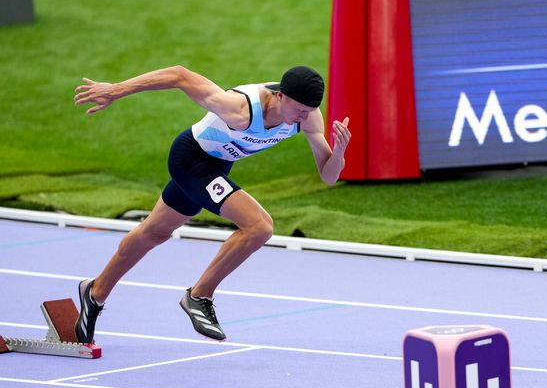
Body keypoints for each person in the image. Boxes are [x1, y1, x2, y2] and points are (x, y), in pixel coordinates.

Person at [72, 65, 351, 342]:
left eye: (309, 110)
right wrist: (115, 90)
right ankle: (199, 296)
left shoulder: (309, 117)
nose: (303, 117)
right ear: (281, 96)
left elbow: (328, 176)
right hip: (191, 159)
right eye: (300, 110)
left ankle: (94, 291)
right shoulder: (239, 108)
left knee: (153, 233)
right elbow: (179, 75)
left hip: (217, 167)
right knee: (259, 227)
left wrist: (338, 153)